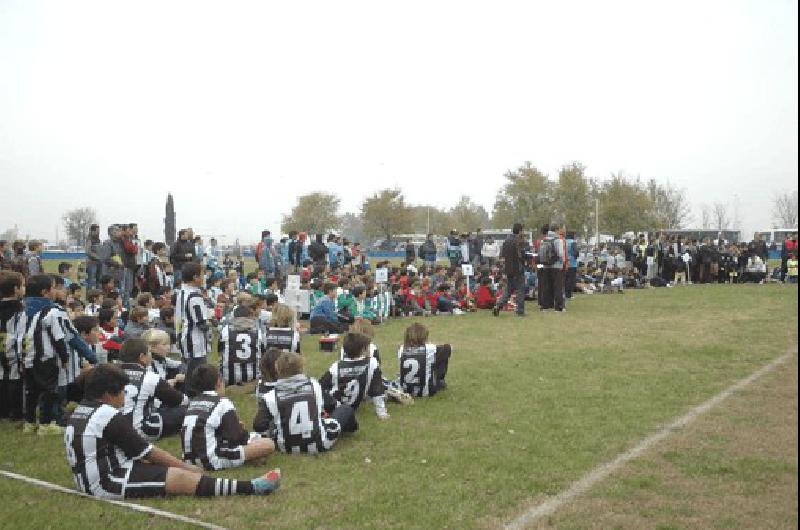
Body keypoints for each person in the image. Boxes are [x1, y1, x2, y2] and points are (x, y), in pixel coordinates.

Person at [65, 363, 281, 499]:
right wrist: (185, 467)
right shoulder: (107, 415)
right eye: (122, 392)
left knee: (165, 467)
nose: (124, 397)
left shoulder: (81, 411)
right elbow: (147, 451)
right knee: (179, 477)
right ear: (108, 394)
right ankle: (250, 487)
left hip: (93, 475)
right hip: (106, 482)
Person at [253, 351, 357, 453]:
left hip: (285, 447)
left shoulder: (269, 397)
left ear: (278, 370)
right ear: (301, 368)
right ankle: (351, 429)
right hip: (319, 443)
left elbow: (259, 426)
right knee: (345, 409)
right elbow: (331, 405)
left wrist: (274, 430)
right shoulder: (314, 385)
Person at [181, 364, 275, 470]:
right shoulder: (222, 403)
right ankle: (252, 457)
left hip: (188, 460)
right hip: (211, 460)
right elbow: (238, 438)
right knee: (268, 444)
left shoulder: (193, 403)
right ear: (218, 383)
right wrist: (241, 430)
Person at [119, 338, 188, 440]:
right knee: (189, 410)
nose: (150, 356)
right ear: (142, 357)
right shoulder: (149, 377)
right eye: (149, 353)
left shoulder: (110, 373)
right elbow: (181, 400)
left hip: (114, 429)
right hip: (140, 430)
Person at [319, 332, 389, 420]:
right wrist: (381, 412)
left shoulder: (336, 366)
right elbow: (377, 390)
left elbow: (319, 386)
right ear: (363, 350)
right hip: (350, 406)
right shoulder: (372, 363)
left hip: (335, 406)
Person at [175, 262, 210, 396]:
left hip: (184, 335)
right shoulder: (194, 296)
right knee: (196, 371)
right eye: (202, 274)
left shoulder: (182, 292)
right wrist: (211, 325)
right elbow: (201, 321)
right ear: (196, 277)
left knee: (189, 368)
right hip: (194, 340)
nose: (204, 277)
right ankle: (193, 397)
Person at [397, 322, 452, 397]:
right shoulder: (430, 349)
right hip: (426, 391)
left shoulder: (401, 349)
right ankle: (440, 381)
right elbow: (448, 348)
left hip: (406, 390)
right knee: (440, 356)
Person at [0, 270, 26, 422]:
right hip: (13, 349)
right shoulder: (20, 310)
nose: (24, 288)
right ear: (16, 289)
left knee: (2, 377)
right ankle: (15, 412)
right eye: (22, 286)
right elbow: (22, 334)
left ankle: (3, 412)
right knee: (15, 380)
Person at [217, 305, 265, 386]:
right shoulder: (258, 332)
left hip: (228, 377)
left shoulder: (225, 331)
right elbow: (263, 353)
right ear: (249, 317)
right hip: (253, 376)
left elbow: (219, 351)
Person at [493, 223, 527, 317]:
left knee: (508, 290)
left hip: (508, 269)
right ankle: (520, 311)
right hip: (518, 269)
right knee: (520, 289)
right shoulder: (517, 241)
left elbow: (502, 255)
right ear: (520, 231)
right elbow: (521, 255)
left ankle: (498, 305)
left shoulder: (506, 241)